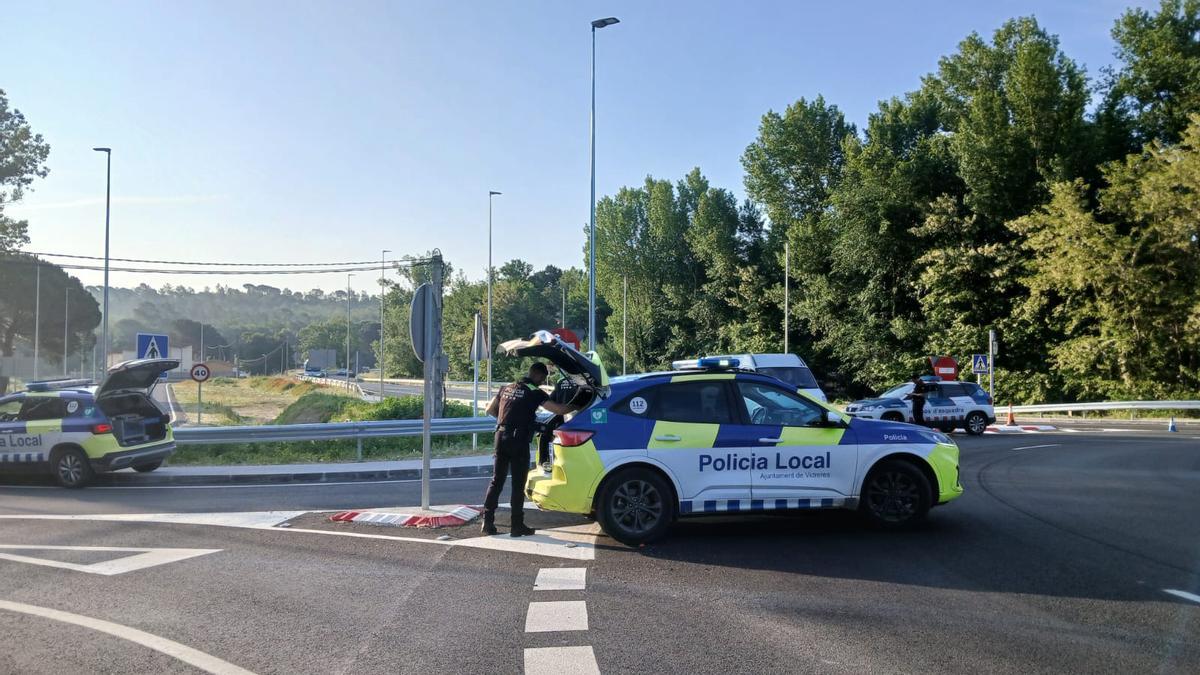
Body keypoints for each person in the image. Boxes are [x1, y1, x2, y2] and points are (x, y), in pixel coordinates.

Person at [482, 362, 578, 537]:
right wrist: (578, 405)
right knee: (518, 484)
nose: (542, 381)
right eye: (542, 378)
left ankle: (487, 522)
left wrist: (507, 421)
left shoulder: (507, 387)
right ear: (539, 375)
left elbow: (489, 409)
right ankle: (517, 526)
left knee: (496, 481)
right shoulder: (535, 392)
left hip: (500, 436)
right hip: (518, 440)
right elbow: (559, 410)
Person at [536, 369, 579, 468]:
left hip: (560, 416)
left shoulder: (561, 382)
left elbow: (551, 399)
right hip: (578, 416)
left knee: (544, 432)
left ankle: (544, 461)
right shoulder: (582, 383)